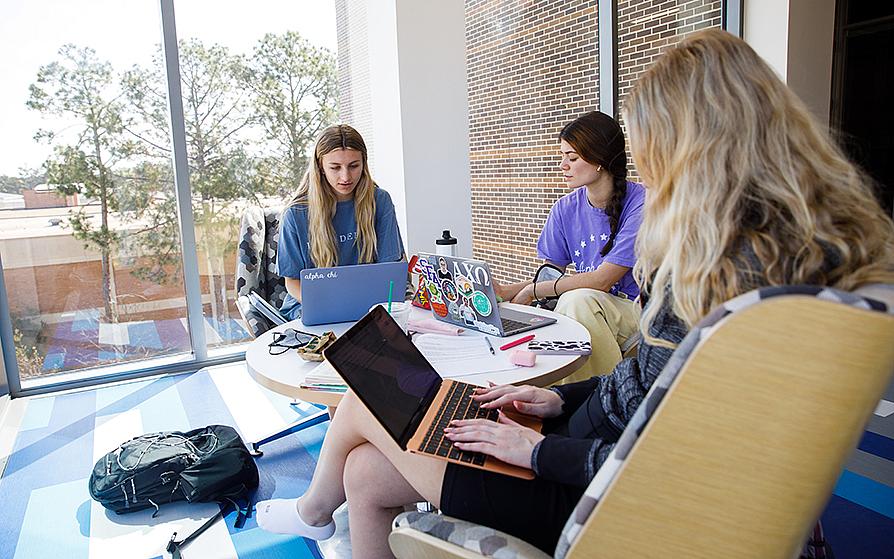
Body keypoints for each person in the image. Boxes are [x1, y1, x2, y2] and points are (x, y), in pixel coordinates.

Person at [256, 29, 894, 558]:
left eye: (652, 151)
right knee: (366, 473)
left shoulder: (718, 278)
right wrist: (552, 399)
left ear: (692, 150)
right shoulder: (809, 264)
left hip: (595, 498)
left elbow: (664, 466)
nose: (646, 167)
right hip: (585, 451)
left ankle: (314, 512)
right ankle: (321, 508)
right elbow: (648, 391)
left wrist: (537, 449)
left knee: (370, 396)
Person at [495, 111, 645, 382]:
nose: (563, 165)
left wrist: (531, 291)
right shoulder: (565, 209)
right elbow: (551, 276)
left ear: (599, 160)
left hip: (635, 309)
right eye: (563, 156)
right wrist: (507, 291)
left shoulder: (641, 204)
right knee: (567, 305)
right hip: (592, 305)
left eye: (572, 157)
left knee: (577, 300)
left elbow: (602, 280)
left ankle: (597, 398)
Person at [277, 124, 405, 320]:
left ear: (364, 163)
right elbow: (292, 281)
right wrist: (327, 306)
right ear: (320, 166)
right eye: (335, 167)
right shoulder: (295, 214)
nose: (345, 177)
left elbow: (390, 270)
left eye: (354, 166)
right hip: (310, 308)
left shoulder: (380, 201)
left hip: (368, 307)